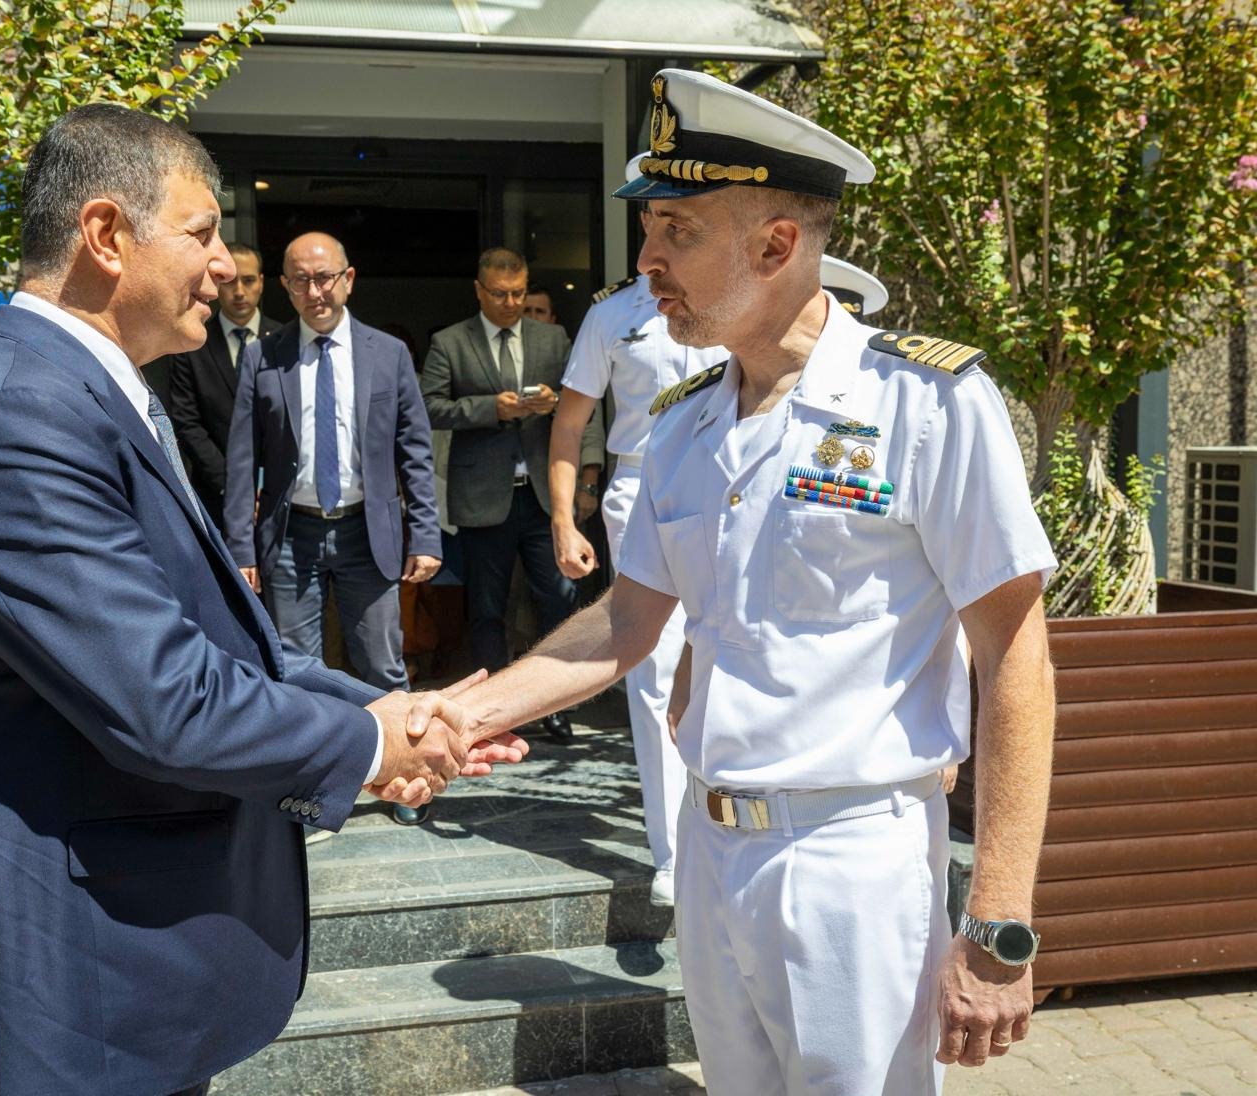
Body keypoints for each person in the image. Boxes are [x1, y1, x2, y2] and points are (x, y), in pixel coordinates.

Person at [0, 105, 521, 1096]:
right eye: (203, 231)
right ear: (106, 235)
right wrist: (370, 748)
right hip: (65, 976)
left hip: (124, 966)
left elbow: (219, 642)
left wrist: (378, 709)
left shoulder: (87, 396)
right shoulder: (17, 419)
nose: (226, 265)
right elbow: (166, 696)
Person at [442, 69, 1058, 1094]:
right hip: (711, 848)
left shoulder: (924, 403)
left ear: (775, 245)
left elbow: (1015, 656)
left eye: (676, 231)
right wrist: (456, 715)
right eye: (650, 230)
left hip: (850, 856)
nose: (646, 261)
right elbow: (625, 623)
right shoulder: (684, 423)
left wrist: (997, 921)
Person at [548, 156, 729, 908]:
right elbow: (570, 425)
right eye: (651, 218)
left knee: (725, 652)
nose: (659, 232)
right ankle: (672, 853)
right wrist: (564, 518)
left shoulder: (728, 305)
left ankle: (725, 826)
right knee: (652, 669)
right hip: (641, 490)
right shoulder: (612, 315)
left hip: (728, 483)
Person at [224, 231, 441, 695]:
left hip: (367, 530)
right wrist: (241, 549)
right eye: (301, 281)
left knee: (382, 666)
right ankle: (318, 746)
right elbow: (242, 460)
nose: (315, 292)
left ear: (348, 279)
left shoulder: (389, 354)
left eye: (324, 278)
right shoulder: (263, 356)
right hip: (290, 537)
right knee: (296, 673)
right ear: (285, 286)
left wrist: (425, 535)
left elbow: (415, 452)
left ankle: (397, 745)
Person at [420, 247, 603, 741]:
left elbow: (583, 405)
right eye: (500, 294)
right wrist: (489, 409)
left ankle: (554, 704)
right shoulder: (450, 341)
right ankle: (492, 712)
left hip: (543, 494)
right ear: (479, 291)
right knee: (487, 609)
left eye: (518, 293)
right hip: (484, 495)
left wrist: (554, 403)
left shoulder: (552, 338)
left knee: (559, 600)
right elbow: (429, 406)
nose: (510, 303)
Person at [137, 242, 279, 533]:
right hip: (216, 493)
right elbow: (187, 422)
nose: (239, 291)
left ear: (262, 283)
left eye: (249, 280)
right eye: (230, 282)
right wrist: (232, 486)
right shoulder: (192, 342)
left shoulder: (283, 341)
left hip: (278, 497)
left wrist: (270, 486)